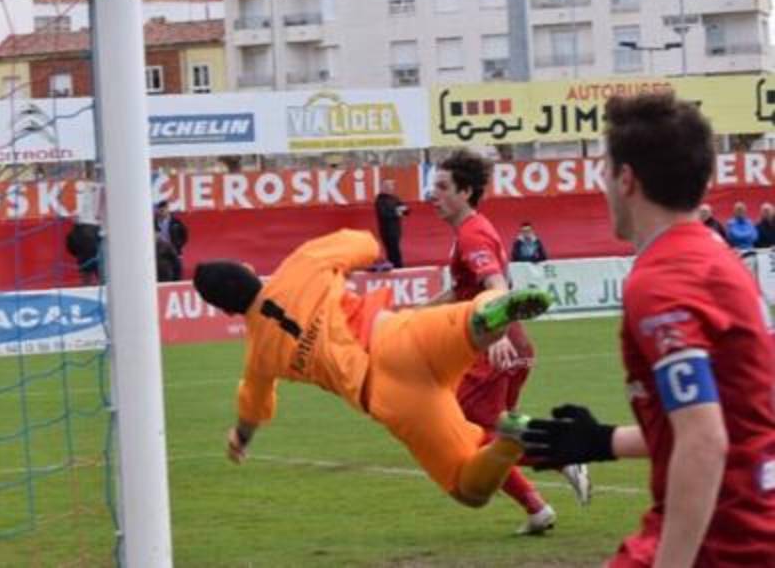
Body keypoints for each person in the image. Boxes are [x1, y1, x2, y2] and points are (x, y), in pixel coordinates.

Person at [518, 93, 775, 567]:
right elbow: (737, 416)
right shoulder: (718, 259)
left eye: (604, 174)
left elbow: (705, 438)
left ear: (627, 179)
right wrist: (602, 441)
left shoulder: (663, 280)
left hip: (723, 542)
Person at [195, 229, 555, 508]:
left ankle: (510, 440)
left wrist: (241, 437)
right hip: (396, 335)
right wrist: (341, 267)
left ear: (226, 311)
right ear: (247, 270)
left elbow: (254, 406)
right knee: (471, 323)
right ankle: (493, 304)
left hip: (389, 395)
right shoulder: (303, 262)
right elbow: (365, 244)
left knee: (469, 488)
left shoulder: (260, 355)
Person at [427, 149, 588, 534]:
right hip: (509, 346)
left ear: (465, 192)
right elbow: (461, 292)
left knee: (467, 432)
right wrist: (414, 313)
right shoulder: (470, 231)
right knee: (489, 439)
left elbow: (496, 285)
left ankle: (562, 453)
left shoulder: (471, 235)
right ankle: (536, 509)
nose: (433, 194)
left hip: (497, 347)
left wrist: (495, 332)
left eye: (442, 187)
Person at [374, 179, 409, 268]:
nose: (390, 187)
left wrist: (396, 211)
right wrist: (397, 212)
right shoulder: (379, 200)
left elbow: (406, 211)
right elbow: (384, 214)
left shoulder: (395, 198)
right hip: (386, 230)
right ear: (382, 187)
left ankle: (397, 267)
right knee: (392, 251)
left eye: (391, 185)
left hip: (396, 230)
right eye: (388, 185)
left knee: (396, 249)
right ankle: (396, 268)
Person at [153, 201, 188, 281]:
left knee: (177, 268)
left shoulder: (176, 222)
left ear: (167, 209)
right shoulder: (153, 222)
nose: (161, 212)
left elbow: (184, 235)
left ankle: (176, 283)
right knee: (162, 269)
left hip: (174, 249)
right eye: (159, 210)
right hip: (160, 251)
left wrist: (179, 245)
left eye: (163, 210)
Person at [65, 215, 103, 285]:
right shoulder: (95, 228)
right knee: (103, 281)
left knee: (86, 283)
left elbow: (71, 248)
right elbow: (101, 241)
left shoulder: (72, 233)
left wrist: (79, 254)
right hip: (97, 258)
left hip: (83, 260)